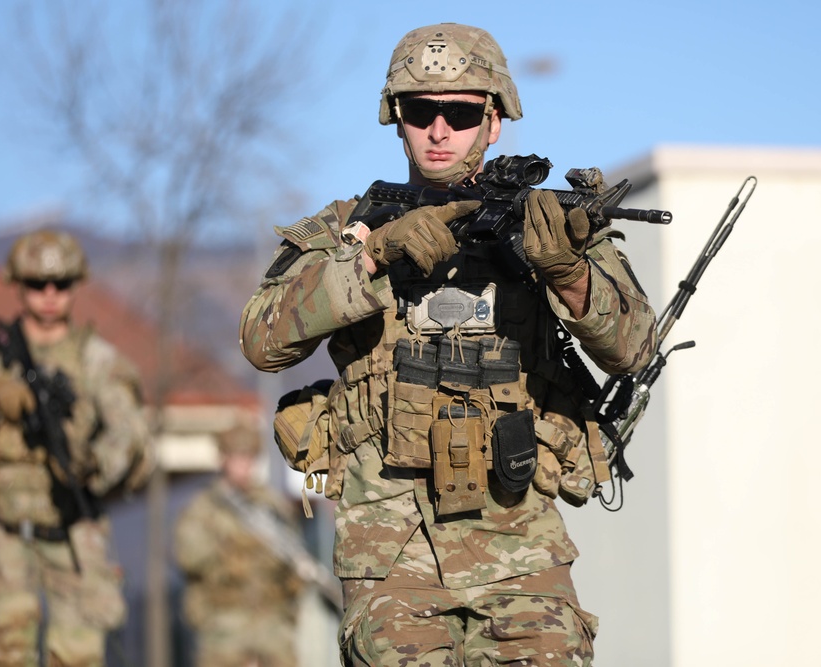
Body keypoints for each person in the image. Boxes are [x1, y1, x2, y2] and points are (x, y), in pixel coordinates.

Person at [240, 23, 657, 666]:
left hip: (519, 543)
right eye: (420, 110)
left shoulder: (549, 224)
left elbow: (634, 349)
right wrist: (371, 257)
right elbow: (262, 339)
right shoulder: (348, 227)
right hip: (389, 552)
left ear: (494, 122)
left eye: (461, 113)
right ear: (395, 118)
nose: (439, 130)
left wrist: (568, 274)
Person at [0, 229, 153, 666]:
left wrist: (94, 464)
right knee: (9, 654)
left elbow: (129, 435)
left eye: (62, 283)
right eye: (37, 284)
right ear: (19, 285)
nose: (50, 295)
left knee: (77, 656)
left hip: (74, 527)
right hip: (6, 529)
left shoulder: (98, 361)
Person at [173, 423, 308, 667]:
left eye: (248, 458)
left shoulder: (271, 506)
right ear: (223, 459)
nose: (243, 466)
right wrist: (231, 542)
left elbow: (294, 558)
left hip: (272, 620)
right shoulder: (205, 507)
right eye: (237, 458)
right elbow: (188, 558)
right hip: (224, 622)